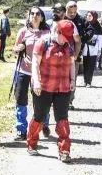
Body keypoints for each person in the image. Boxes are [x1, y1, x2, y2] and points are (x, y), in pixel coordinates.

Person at [27, 19, 76, 162]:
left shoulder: (68, 46)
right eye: (64, 36)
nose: (66, 40)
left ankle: (64, 150)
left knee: (62, 119)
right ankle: (32, 143)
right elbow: (35, 63)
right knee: (39, 116)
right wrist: (36, 81)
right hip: (44, 86)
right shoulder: (43, 42)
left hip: (63, 88)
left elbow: (72, 64)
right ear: (57, 31)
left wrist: (72, 80)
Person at [11, 7, 51, 140]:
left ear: (42, 17)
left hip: (40, 72)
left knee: (41, 100)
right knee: (21, 100)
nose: (34, 16)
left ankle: (43, 124)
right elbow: (14, 50)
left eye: (37, 14)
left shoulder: (47, 32)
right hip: (23, 69)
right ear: (28, 16)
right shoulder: (23, 31)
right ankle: (21, 130)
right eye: (32, 14)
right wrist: (19, 48)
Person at [65, 1, 85, 108]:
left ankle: (69, 101)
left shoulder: (81, 20)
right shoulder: (62, 19)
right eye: (70, 12)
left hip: (75, 55)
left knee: (73, 78)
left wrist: (83, 41)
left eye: (74, 12)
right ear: (66, 9)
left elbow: (87, 33)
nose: (72, 15)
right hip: (60, 56)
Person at [80, 10, 102, 87]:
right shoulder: (85, 24)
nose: (88, 17)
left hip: (94, 48)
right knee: (85, 65)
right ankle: (85, 80)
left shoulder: (97, 26)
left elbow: (100, 40)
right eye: (87, 15)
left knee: (91, 66)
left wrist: (99, 49)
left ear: (94, 17)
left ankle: (89, 82)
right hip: (85, 48)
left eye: (90, 16)